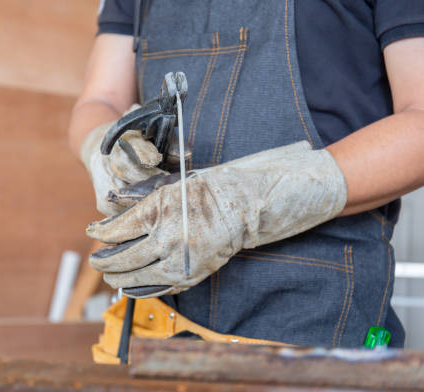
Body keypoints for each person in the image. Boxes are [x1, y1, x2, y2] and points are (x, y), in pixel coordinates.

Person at [68, 0, 424, 355]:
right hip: (154, 327)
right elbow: (100, 99)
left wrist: (253, 200)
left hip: (311, 330)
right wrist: (106, 148)